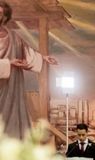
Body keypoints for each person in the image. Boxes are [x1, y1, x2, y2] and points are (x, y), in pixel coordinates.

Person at [0, 1, 58, 139]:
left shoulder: (13, 36)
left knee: (11, 126)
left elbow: (26, 53)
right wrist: (9, 63)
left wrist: (43, 58)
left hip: (11, 89)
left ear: (5, 16)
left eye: (0, 13)